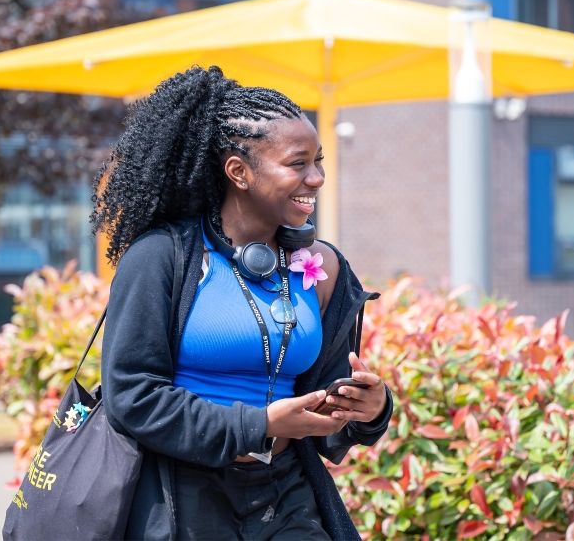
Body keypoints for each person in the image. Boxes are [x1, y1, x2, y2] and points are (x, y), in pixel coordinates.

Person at [91, 65, 393, 540]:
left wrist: (370, 409)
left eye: (319, 163)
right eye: (297, 164)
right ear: (239, 171)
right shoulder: (161, 258)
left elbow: (329, 417)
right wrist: (257, 424)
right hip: (179, 497)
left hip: (287, 493)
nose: (315, 179)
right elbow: (132, 396)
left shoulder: (323, 268)